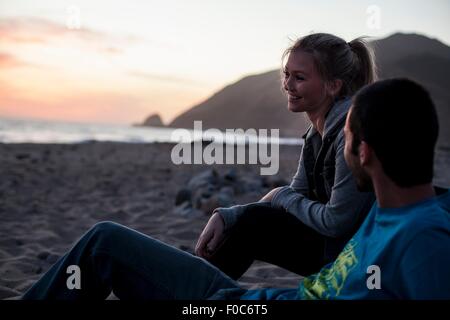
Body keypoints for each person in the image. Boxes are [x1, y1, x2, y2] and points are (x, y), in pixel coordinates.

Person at [22, 78, 450, 300]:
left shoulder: (422, 238)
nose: (342, 151)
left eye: (347, 141)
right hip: (248, 299)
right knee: (108, 240)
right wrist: (233, 214)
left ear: (364, 150)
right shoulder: (392, 209)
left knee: (104, 244)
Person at [195, 33, 376, 279]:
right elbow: (295, 195)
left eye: (299, 77)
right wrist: (229, 215)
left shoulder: (350, 132)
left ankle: (197, 293)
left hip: (358, 257)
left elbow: (336, 222)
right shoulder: (316, 134)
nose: (288, 85)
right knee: (249, 223)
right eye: (286, 74)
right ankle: (197, 288)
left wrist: (278, 196)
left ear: (334, 85)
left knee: (255, 225)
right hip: (336, 245)